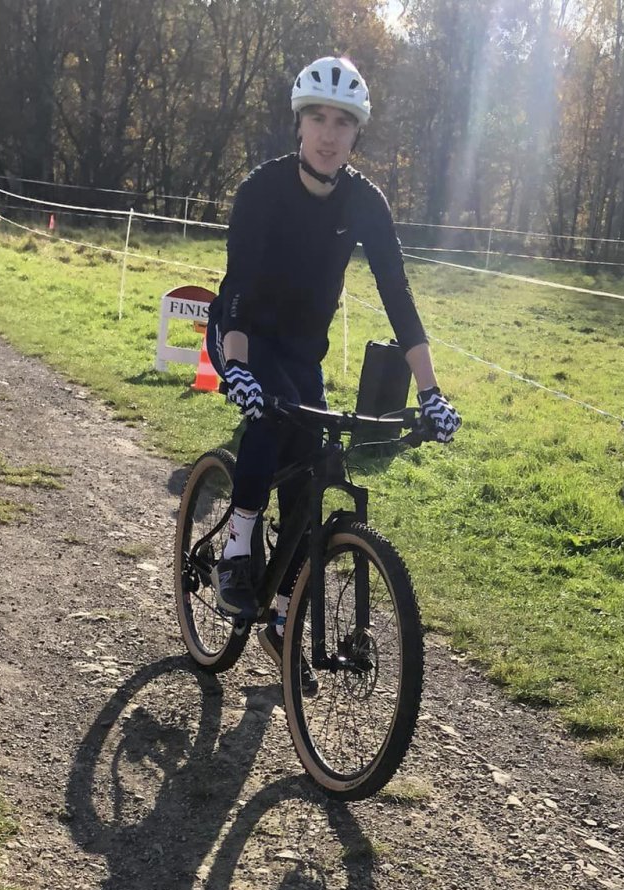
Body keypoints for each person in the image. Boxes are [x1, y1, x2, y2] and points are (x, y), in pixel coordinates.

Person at [206, 55, 460, 675]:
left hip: (302, 352)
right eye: (317, 118)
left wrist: (431, 391)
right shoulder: (262, 189)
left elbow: (398, 296)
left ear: (356, 133)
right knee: (267, 421)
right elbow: (237, 286)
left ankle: (281, 616)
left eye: (342, 122)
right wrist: (236, 369)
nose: (328, 134)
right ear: (298, 123)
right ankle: (236, 546)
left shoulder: (365, 202)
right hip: (243, 335)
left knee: (310, 480)